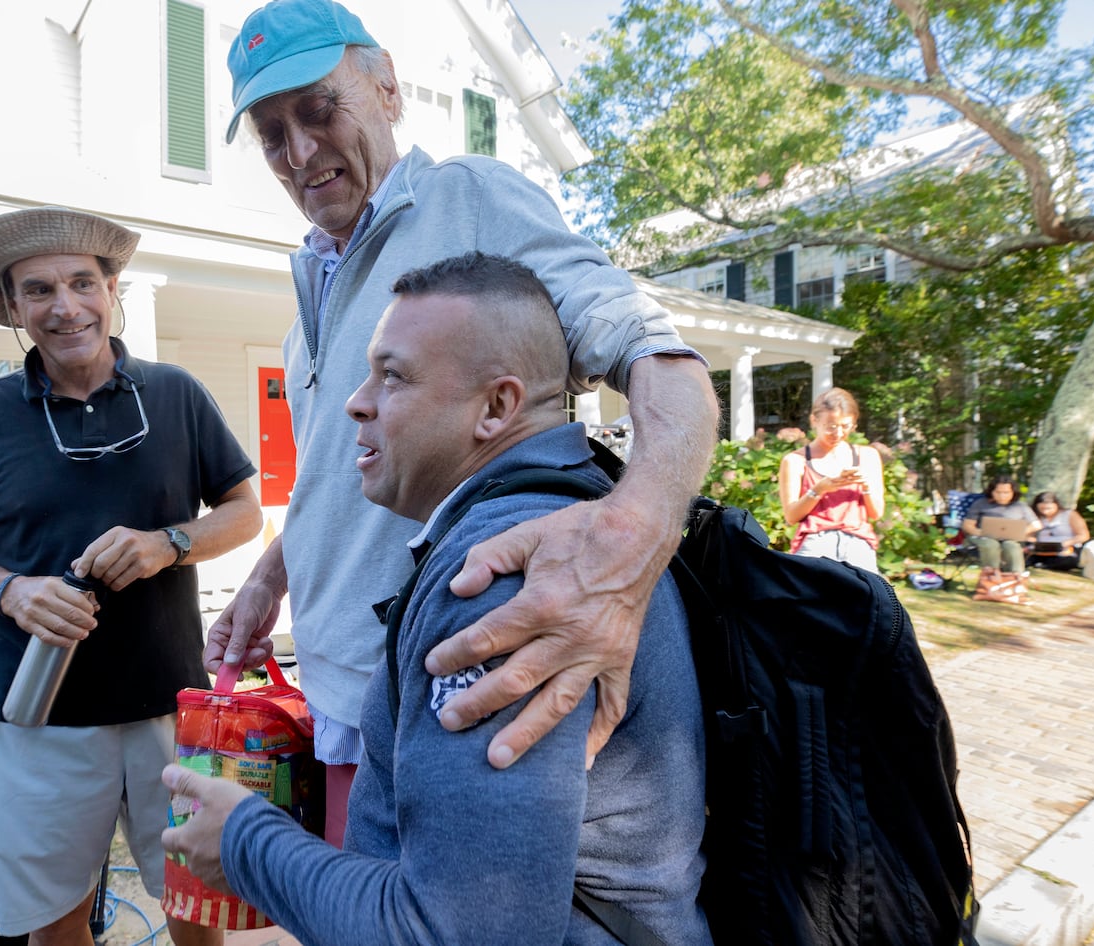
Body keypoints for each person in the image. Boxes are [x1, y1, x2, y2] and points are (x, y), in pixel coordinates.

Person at [212, 0, 719, 839]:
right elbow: (340, 476)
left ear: (386, 89)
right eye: (272, 133)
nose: (300, 152)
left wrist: (633, 539)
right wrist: (272, 575)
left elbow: (657, 358)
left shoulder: (471, 197)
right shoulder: (308, 299)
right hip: (342, 694)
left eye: (319, 109)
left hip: (450, 683)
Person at [162, 254, 711, 945]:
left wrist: (245, 842)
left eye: (392, 375)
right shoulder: (548, 526)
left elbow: (451, 932)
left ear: (496, 408)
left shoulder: (506, 576)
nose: (356, 402)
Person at [0, 206, 261, 946]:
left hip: (170, 705)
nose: (65, 306)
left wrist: (169, 543)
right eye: (38, 290)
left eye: (82, 282)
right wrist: (13, 590)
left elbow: (243, 512)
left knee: (195, 908)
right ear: (13, 307)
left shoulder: (175, 395)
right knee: (54, 922)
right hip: (37, 713)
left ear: (114, 291)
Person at [777, 387, 885, 574]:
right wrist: (819, 489)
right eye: (831, 426)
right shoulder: (795, 460)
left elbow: (876, 514)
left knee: (869, 601)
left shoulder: (867, 456)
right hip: (815, 542)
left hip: (858, 543)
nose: (838, 433)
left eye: (846, 426)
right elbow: (791, 516)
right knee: (810, 602)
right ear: (814, 420)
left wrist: (866, 485)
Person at [961, 475, 1040, 574]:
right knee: (990, 544)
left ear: (1013, 492)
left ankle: (1015, 577)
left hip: (1011, 538)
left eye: (1006, 493)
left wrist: (1019, 532)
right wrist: (982, 533)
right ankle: (991, 575)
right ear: (992, 491)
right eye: (998, 492)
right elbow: (967, 525)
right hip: (983, 537)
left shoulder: (1020, 506)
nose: (1002, 496)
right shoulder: (981, 503)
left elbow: (1036, 524)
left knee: (1012, 546)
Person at [1028, 490, 1091, 571]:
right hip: (1043, 549)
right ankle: (1040, 563)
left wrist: (1065, 544)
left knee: (1067, 560)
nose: (1045, 506)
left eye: (1049, 504)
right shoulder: (1036, 517)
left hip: (1066, 549)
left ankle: (1046, 565)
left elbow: (1084, 535)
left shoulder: (1069, 514)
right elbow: (1030, 535)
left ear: (1056, 504)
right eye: (1042, 504)